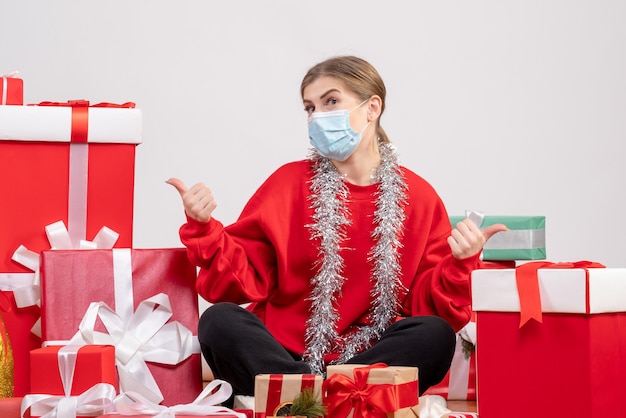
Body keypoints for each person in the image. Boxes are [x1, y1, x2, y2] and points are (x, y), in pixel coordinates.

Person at [168, 55, 506, 399]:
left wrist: (461, 262)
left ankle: (309, 397)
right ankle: (329, 395)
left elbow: (425, 304)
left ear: (372, 107)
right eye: (310, 108)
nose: (317, 116)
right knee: (219, 321)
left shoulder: (419, 196)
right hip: (283, 355)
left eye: (330, 101)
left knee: (434, 334)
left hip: (370, 359)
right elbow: (242, 278)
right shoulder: (287, 183)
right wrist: (204, 228)